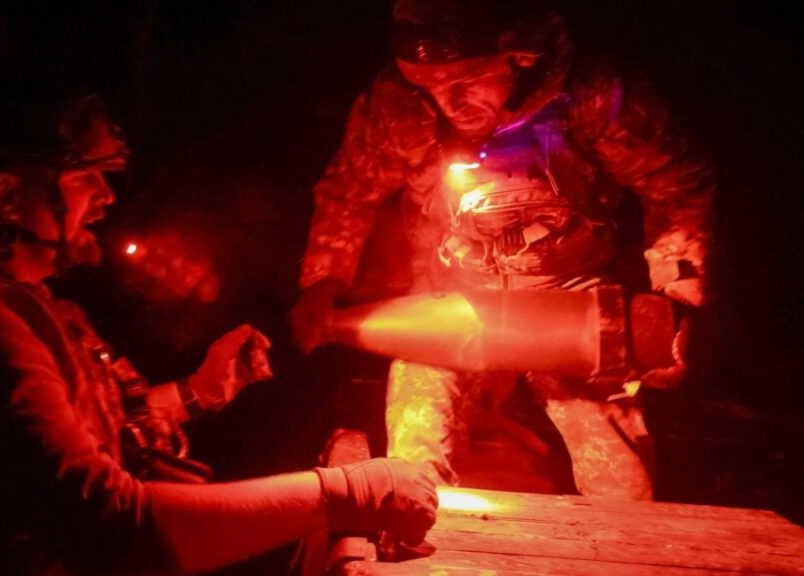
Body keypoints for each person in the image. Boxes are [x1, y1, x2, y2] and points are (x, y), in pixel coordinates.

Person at [0, 93, 437, 575]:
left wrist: (195, 392)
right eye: (87, 178)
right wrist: (345, 494)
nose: (107, 196)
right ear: (6, 196)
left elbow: (92, 436)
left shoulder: (32, 303)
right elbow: (106, 517)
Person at [290, 0, 714, 500]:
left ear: (521, 58)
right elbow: (349, 190)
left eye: (467, 80)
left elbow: (677, 183)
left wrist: (675, 299)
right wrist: (323, 281)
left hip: (574, 310)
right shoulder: (397, 106)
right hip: (447, 305)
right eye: (431, 86)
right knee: (414, 449)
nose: (449, 102)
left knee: (619, 477)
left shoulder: (593, 97)